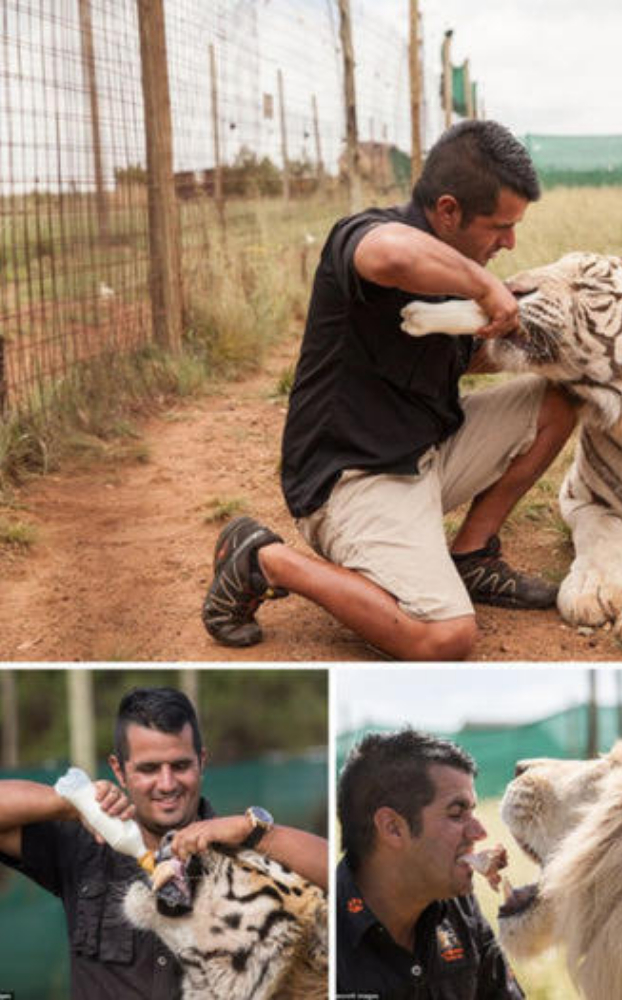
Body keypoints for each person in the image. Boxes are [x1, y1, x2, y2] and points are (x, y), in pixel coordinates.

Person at [201, 119, 577, 661]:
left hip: (426, 452)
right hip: (354, 479)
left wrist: (536, 342)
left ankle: (472, 556)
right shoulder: (365, 236)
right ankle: (263, 559)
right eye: (500, 226)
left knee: (560, 398)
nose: (510, 242)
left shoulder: (454, 268)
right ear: (448, 211)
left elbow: (446, 360)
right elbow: (394, 257)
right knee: (445, 637)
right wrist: (486, 286)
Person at [0, 686, 328, 999]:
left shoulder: (244, 855)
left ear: (202, 761)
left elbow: (346, 881)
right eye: (149, 769)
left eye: (181, 765)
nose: (167, 783)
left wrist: (253, 830)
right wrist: (72, 804)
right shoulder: (86, 844)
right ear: (119, 769)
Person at [337, 728, 523, 998]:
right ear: (393, 828)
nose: (479, 832)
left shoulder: (460, 908)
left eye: (472, 811)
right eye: (457, 813)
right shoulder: (325, 936)